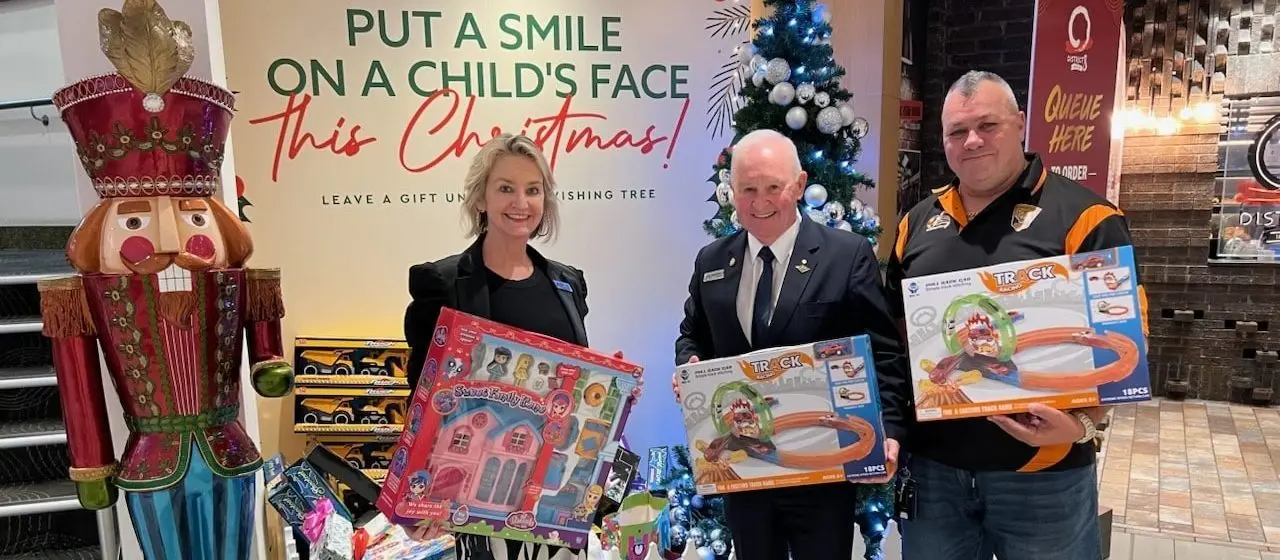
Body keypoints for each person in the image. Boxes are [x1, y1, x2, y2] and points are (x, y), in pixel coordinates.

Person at [886, 70, 1147, 560]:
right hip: (936, 473)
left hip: (1043, 475)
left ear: (1021, 123)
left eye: (988, 125)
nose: (973, 141)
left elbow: (1126, 347)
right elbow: (894, 343)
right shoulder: (916, 224)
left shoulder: (1087, 218)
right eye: (957, 132)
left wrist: (1084, 425)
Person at [670, 129, 912, 560]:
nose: (760, 202)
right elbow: (693, 333)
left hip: (820, 466)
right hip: (744, 471)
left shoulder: (846, 254)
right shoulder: (711, 261)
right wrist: (689, 364)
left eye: (773, 188)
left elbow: (884, 350)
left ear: (799, 185)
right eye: (747, 189)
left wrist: (890, 430)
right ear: (733, 192)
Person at [403, 133, 634, 560]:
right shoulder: (443, 283)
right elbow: (423, 395)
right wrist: (420, 493)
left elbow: (573, 380)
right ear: (481, 199)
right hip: (476, 500)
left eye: (533, 190)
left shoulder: (567, 283)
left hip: (552, 499)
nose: (520, 202)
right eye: (506, 188)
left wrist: (611, 386)